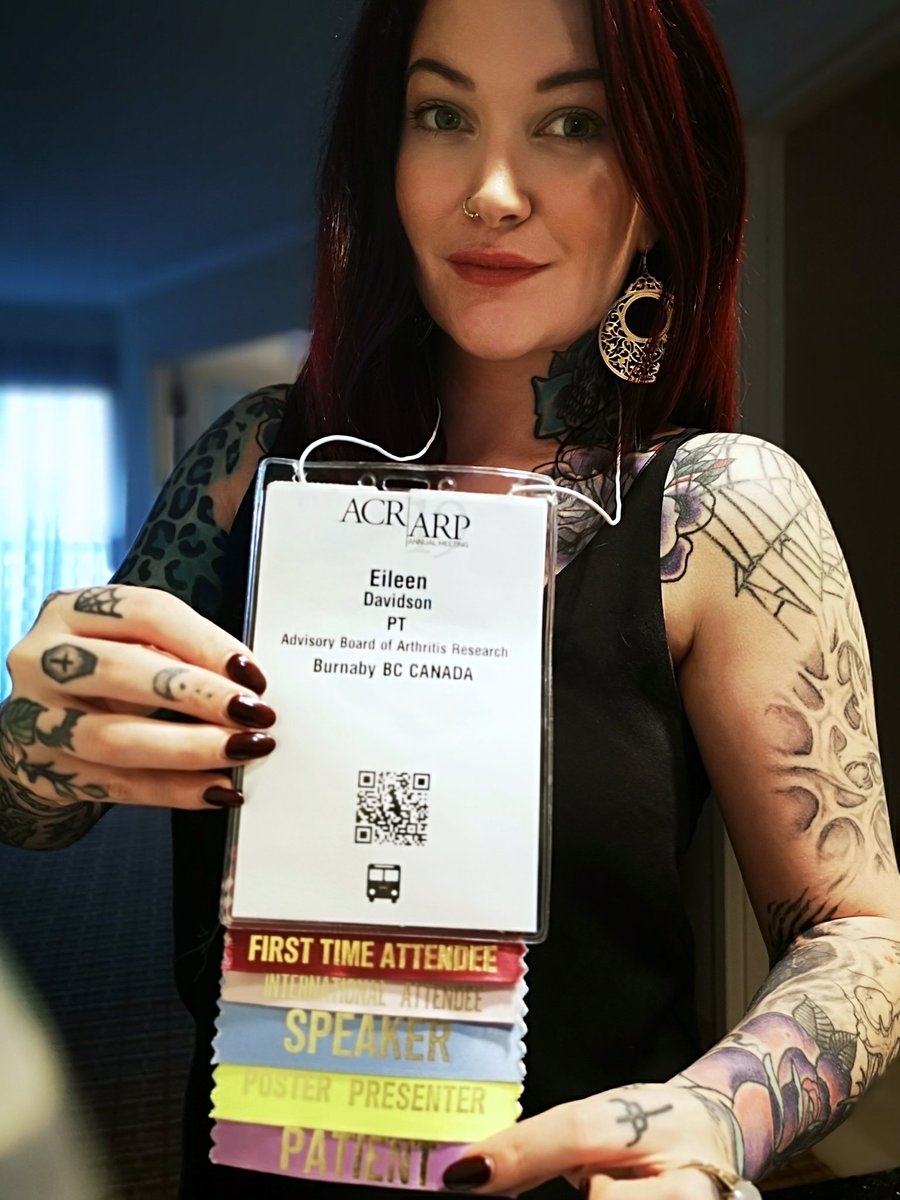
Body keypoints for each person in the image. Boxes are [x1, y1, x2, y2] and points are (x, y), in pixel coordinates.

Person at [1, 0, 898, 1197]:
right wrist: (38, 741)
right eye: (442, 114)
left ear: (661, 185)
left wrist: (716, 1115)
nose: (492, 191)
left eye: (573, 122)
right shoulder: (256, 461)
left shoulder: (717, 511)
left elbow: (859, 926)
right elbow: (33, 818)